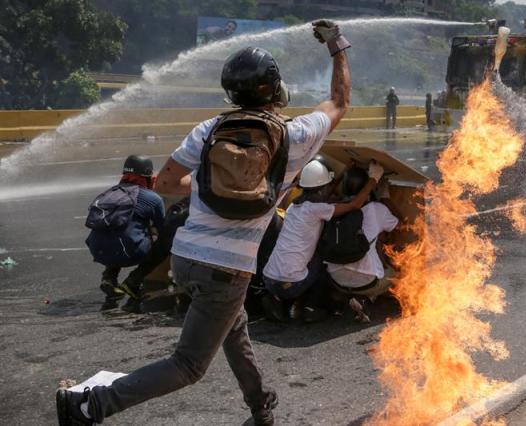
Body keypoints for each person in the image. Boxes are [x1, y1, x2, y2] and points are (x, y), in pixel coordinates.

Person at [56, 19, 352, 426]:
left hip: (186, 259)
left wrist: (210, 188)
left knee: (235, 328)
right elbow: (338, 101)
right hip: (227, 270)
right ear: (276, 89)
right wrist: (337, 46)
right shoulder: (295, 135)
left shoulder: (210, 129)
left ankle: (260, 406)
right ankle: (91, 405)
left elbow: (163, 182)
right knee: (189, 365)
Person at [261, 160, 384, 323]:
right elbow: (355, 205)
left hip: (269, 279)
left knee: (305, 260)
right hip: (291, 284)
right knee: (324, 256)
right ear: (321, 189)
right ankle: (312, 307)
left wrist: (345, 170)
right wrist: (374, 178)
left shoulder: (294, 207)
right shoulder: (317, 210)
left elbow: (322, 194)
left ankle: (276, 299)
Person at [84, 155, 165, 310]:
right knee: (165, 242)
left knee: (118, 233)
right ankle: (133, 281)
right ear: (149, 176)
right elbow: (163, 228)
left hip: (97, 250)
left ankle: (109, 277)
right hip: (128, 253)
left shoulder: (109, 193)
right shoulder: (153, 198)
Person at [325, 169, 399, 320]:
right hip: (367, 282)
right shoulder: (376, 209)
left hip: (335, 280)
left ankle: (344, 296)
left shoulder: (332, 208)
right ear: (369, 187)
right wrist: (384, 196)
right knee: (395, 275)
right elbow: (397, 224)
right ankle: (366, 298)